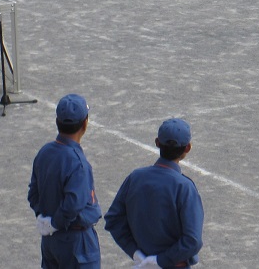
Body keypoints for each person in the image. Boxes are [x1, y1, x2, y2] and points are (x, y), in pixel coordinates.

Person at [105, 118, 205, 268]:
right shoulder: (184, 187)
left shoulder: (135, 177)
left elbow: (114, 219)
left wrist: (135, 252)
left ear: (157, 143)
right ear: (187, 148)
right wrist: (161, 261)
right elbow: (192, 240)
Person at [29, 94, 102, 269]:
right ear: (85, 123)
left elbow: (33, 193)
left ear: (57, 121)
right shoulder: (78, 164)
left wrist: (44, 219)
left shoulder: (44, 152)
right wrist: (55, 223)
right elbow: (73, 204)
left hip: (50, 241)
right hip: (77, 242)